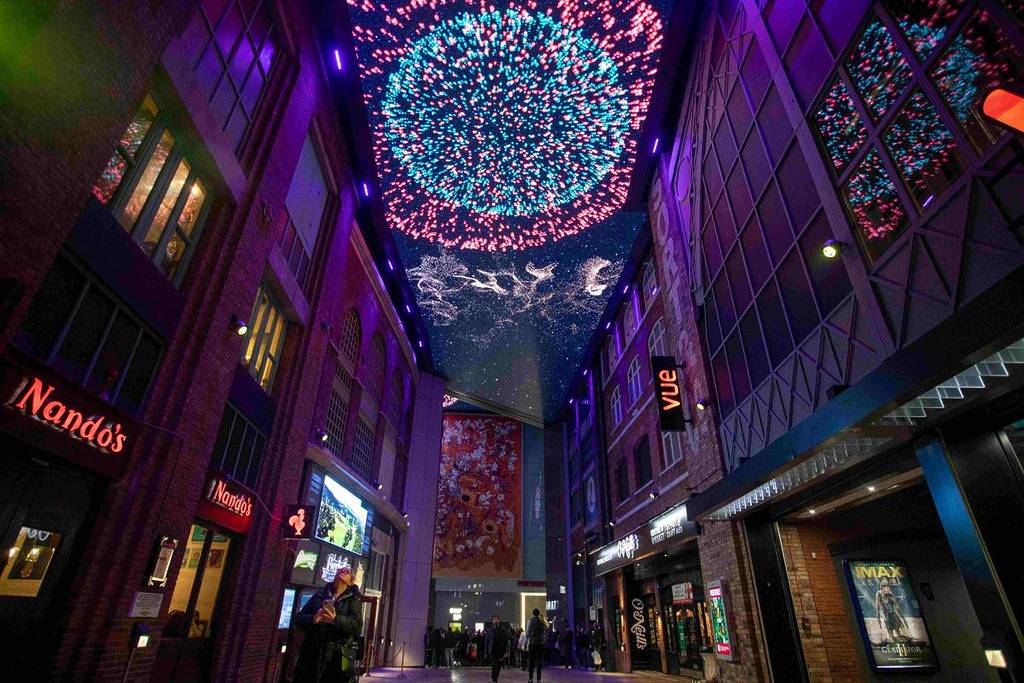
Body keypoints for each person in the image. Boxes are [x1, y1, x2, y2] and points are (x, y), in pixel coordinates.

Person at [294, 566, 363, 683]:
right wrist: (313, 619)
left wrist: (336, 619)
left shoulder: (353, 600)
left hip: (338, 658)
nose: (343, 571)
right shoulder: (320, 595)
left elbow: (356, 626)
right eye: (340, 570)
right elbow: (299, 619)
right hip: (312, 656)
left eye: (347, 571)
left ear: (350, 581)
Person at [484, 615, 510, 683]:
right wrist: (486, 652)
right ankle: (494, 679)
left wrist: (507, 651)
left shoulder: (503, 630)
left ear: (499, 620)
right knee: (494, 666)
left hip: (500, 651)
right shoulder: (489, 630)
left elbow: (506, 641)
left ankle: (495, 677)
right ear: (492, 621)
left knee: (499, 666)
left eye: (497, 619)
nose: (495, 620)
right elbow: (487, 641)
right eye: (494, 619)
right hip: (492, 651)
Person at [525, 608, 547, 683]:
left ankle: (530, 679)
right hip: (540, 643)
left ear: (533, 613)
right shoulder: (541, 621)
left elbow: (527, 633)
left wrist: (526, 642)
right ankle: (538, 679)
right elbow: (547, 626)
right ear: (539, 613)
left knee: (531, 662)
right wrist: (543, 617)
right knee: (539, 662)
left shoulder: (530, 621)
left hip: (532, 643)